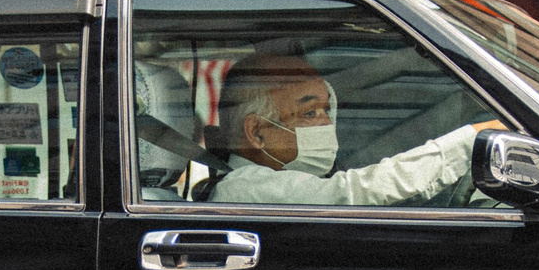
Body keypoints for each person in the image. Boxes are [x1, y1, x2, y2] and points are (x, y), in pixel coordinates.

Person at [214, 53, 501, 207]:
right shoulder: (246, 188)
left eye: (327, 111)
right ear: (257, 132)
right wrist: (473, 140)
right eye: (310, 113)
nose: (327, 124)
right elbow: (358, 191)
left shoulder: (278, 184)